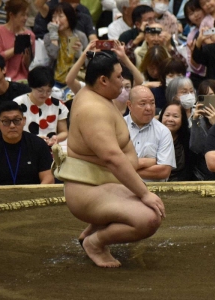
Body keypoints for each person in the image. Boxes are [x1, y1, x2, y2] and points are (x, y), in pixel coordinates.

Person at [52, 49, 165, 268]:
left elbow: (138, 84)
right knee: (149, 218)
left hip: (101, 181)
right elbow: (112, 158)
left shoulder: (99, 94)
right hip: (87, 188)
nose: (123, 82)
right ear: (103, 80)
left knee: (148, 209)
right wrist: (144, 193)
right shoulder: (93, 110)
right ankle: (96, 243)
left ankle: (92, 231)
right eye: (119, 77)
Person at [0, 101, 54, 186]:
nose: (12, 126)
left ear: (24, 121)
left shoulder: (38, 144)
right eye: (6, 121)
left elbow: (48, 179)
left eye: (16, 120)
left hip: (33, 197)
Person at [125, 85, 176, 182]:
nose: (149, 108)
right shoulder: (118, 126)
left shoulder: (163, 131)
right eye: (143, 104)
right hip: (121, 190)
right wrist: (146, 162)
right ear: (130, 105)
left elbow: (164, 171)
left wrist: (124, 170)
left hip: (153, 192)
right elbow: (110, 164)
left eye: (152, 103)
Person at [13, 66, 69, 147]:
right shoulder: (17, 104)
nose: (45, 94)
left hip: (48, 148)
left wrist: (55, 138)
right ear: (31, 86)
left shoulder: (57, 105)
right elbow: (12, 130)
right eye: (40, 91)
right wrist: (34, 139)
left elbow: (64, 132)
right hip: (23, 147)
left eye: (49, 91)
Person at [44, 2, 88, 93]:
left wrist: (80, 52)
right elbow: (53, 55)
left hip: (75, 80)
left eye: (60, 16)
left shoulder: (80, 36)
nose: (57, 20)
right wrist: (53, 35)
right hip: (54, 81)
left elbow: (87, 64)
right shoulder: (48, 37)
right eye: (54, 17)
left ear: (69, 17)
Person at [190, 79, 215, 180]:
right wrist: (195, 121)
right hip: (204, 175)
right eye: (204, 97)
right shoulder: (199, 121)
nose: (208, 100)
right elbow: (196, 148)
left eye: (211, 95)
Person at [0, 0, 36, 82]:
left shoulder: (30, 35)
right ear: (11, 15)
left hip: (22, 79)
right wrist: (17, 48)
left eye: (27, 15)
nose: (25, 18)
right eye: (22, 15)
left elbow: (28, 65)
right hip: (0, 77)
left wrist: (27, 55)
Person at [159, 101, 195, 181]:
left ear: (183, 119)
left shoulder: (189, 138)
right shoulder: (153, 136)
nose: (170, 119)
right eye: (167, 115)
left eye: (175, 116)